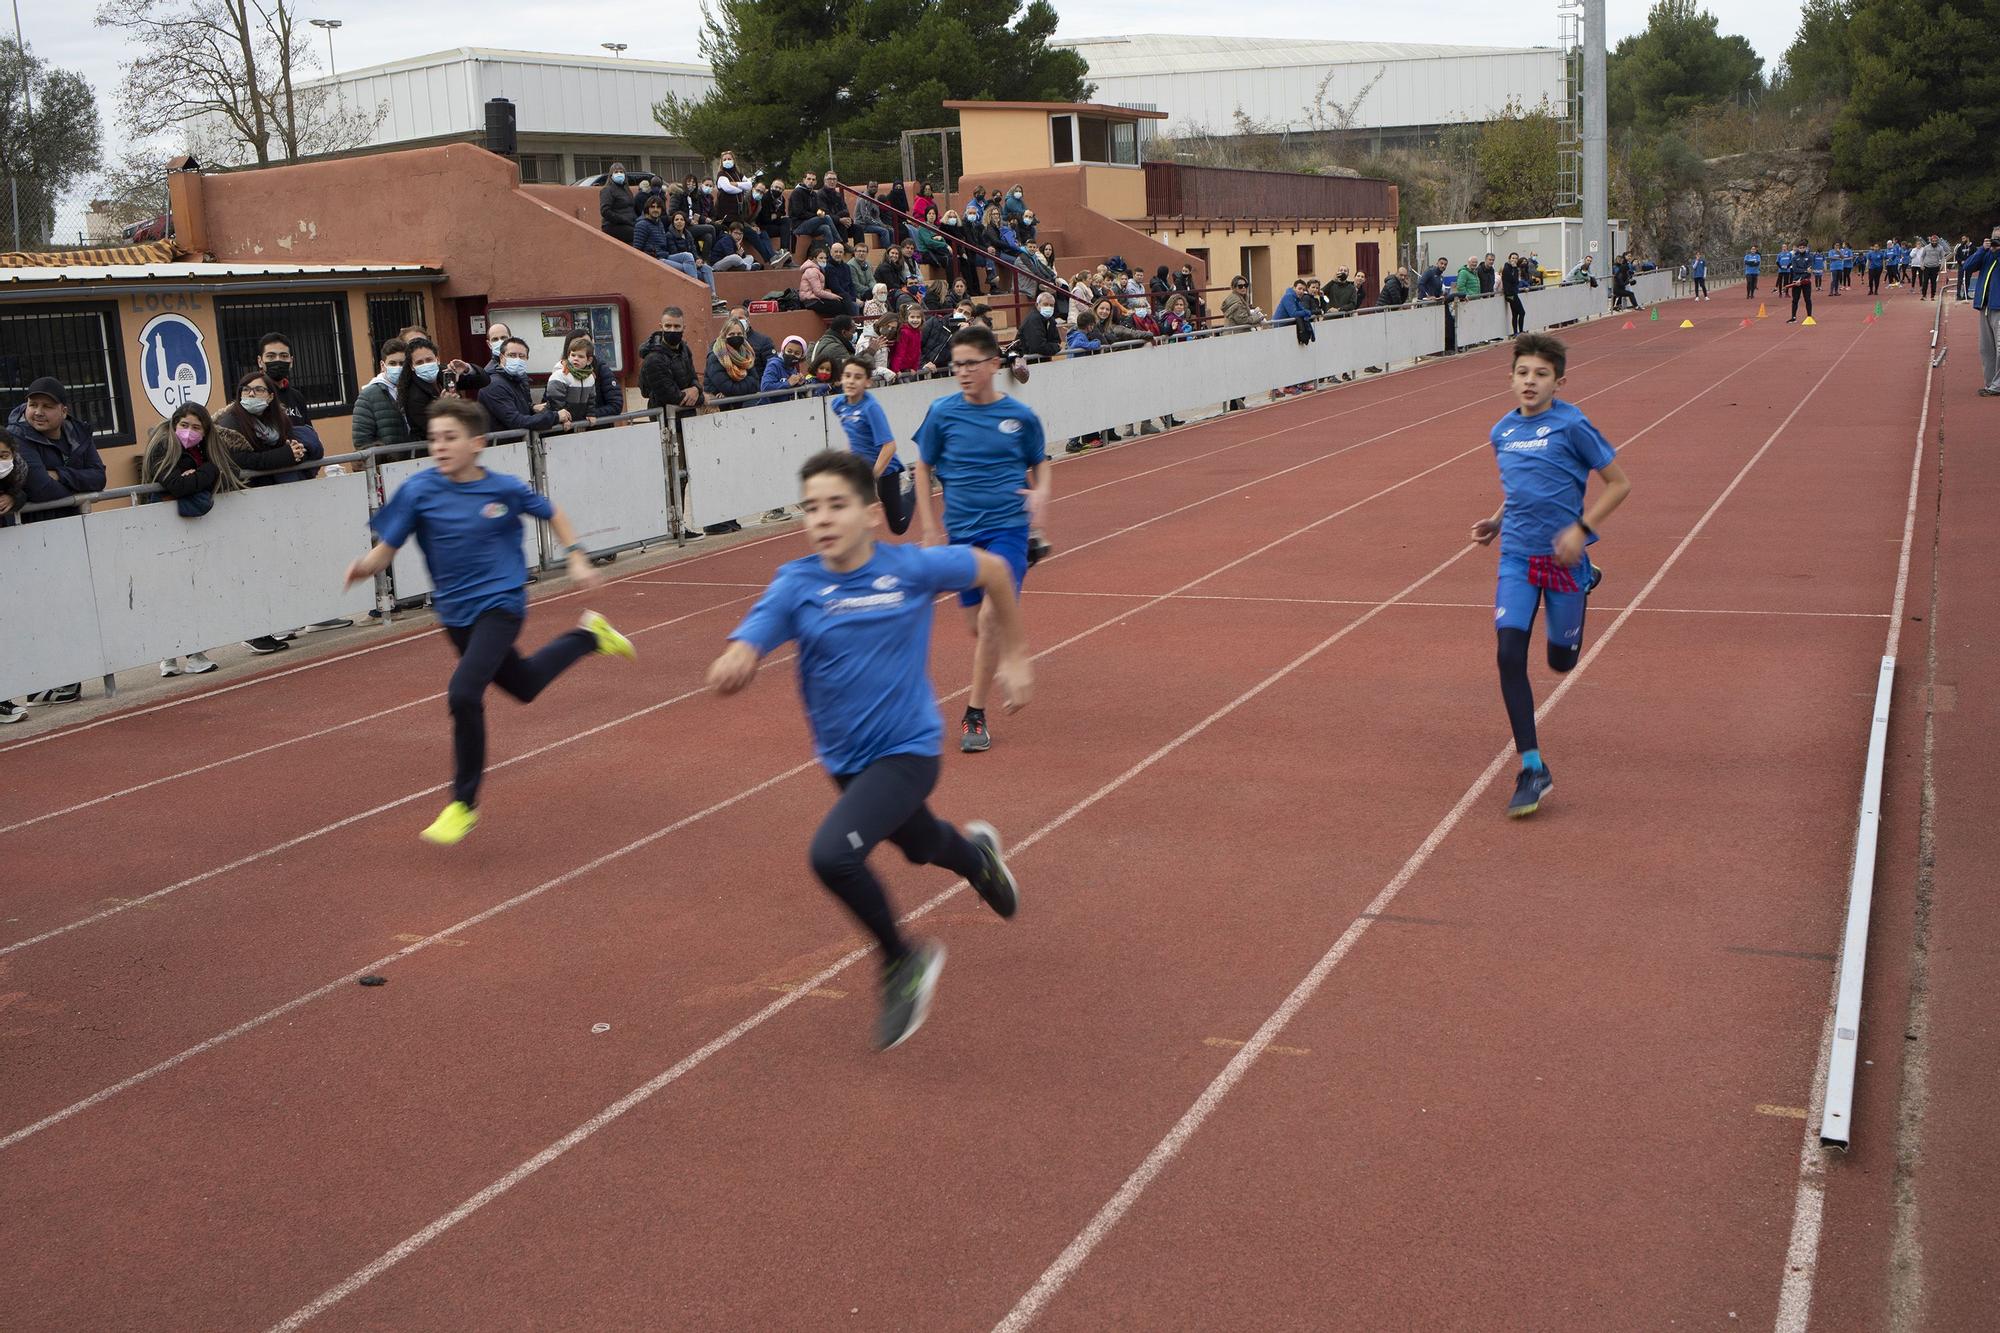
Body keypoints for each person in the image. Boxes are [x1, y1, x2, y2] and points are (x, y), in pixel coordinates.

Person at [706, 447, 1028, 1049]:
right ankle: (977, 858)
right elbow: (753, 635)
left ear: (871, 514)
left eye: (836, 505)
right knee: (921, 844)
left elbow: (993, 572)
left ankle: (902, 962)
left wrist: (1013, 653)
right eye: (810, 508)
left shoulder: (909, 570)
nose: (821, 518)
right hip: (846, 761)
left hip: (908, 749)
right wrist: (738, 657)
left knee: (833, 855)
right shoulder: (796, 583)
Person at [344, 396, 635, 845]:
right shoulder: (419, 491)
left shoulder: (501, 488)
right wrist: (365, 566)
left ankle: (463, 804)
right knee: (524, 685)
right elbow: (389, 546)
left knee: (464, 693)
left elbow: (551, 512)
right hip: (456, 615)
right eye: (433, 438)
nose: (439, 446)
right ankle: (588, 636)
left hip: (501, 605)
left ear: (477, 443)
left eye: (450, 438)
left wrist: (576, 556)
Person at [1469, 333, 1632, 818]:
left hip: (1564, 561)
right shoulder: (1502, 432)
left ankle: (1586, 579)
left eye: (1541, 374)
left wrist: (1582, 531)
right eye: (1522, 373)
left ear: (1559, 381)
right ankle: (1532, 766)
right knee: (1507, 652)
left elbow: (1619, 485)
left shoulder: (1572, 425)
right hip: (1518, 558)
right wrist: (1497, 522)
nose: (1530, 382)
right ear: (1510, 378)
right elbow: (1521, 489)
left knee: (1561, 662)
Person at [911, 325, 1050, 754]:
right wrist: (930, 527)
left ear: (994, 364)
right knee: (976, 626)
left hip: (1008, 529)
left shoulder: (1021, 418)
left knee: (991, 619)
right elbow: (921, 467)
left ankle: (974, 713)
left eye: (971, 364)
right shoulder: (941, 412)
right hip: (961, 534)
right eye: (957, 365)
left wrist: (1042, 490)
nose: (963, 373)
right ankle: (1000, 657)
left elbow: (1040, 462)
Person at [140, 402, 250, 677]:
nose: (189, 432)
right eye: (184, 425)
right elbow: (175, 484)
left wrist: (202, 474)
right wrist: (207, 474)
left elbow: (230, 473)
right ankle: (173, 655)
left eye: (196, 427)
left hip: (195, 528)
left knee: (193, 588)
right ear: (175, 424)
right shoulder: (162, 447)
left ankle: (190, 651)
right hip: (163, 527)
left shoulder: (206, 449)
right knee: (170, 590)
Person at [832, 357, 911, 533]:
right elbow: (854, 434)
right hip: (861, 469)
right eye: (848, 376)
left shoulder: (871, 408)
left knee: (898, 527)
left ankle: (913, 491)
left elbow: (889, 446)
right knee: (855, 515)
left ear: (867, 382)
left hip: (885, 470)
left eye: (858, 377)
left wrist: (872, 477)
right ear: (841, 378)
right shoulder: (838, 404)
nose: (851, 381)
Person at [251, 334, 324, 484]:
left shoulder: (297, 396)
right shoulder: (252, 397)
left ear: (291, 361)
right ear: (260, 361)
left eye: (283, 356)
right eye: (270, 356)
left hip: (301, 476)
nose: (277, 360)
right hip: (267, 482)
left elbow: (310, 435)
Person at [478, 337, 572, 433]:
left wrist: (533, 409)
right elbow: (515, 421)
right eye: (512, 355)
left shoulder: (518, 380)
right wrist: (555, 417)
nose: (517, 359)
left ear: (527, 358)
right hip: (501, 445)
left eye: (521, 356)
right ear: (502, 358)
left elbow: (520, 410)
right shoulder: (494, 385)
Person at [543, 333, 623, 423]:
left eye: (586, 343)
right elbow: (552, 401)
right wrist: (562, 418)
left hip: (593, 427)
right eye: (573, 354)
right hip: (563, 427)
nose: (576, 358)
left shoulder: (596, 372)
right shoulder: (559, 373)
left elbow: (614, 404)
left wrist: (590, 414)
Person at [349, 337, 410, 447]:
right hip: (389, 463)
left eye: (402, 363)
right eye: (392, 363)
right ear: (383, 366)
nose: (398, 367)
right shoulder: (368, 396)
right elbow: (362, 441)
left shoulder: (414, 389)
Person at [1963, 230, 2000, 396]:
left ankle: (1997, 385)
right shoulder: (1985, 253)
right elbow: (1967, 266)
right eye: (1994, 238)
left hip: (1998, 307)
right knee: (1986, 348)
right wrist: (1982, 250)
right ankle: (1991, 383)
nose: (1995, 242)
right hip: (1985, 306)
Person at [599, 164, 638, 246]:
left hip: (630, 224)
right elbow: (605, 211)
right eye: (616, 172)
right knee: (638, 235)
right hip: (613, 226)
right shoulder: (607, 190)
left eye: (621, 172)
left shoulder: (627, 190)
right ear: (611, 175)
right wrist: (623, 220)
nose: (619, 174)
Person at [1787, 241, 1816, 323]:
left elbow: (1809, 270)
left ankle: (1809, 316)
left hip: (1805, 281)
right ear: (1798, 248)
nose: (1802, 249)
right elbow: (1795, 270)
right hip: (1796, 281)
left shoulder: (1810, 257)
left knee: (1807, 299)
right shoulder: (1794, 258)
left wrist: (1802, 278)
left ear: (1806, 248)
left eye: (1803, 247)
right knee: (1795, 300)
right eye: (1800, 248)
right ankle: (1793, 317)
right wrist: (1804, 272)